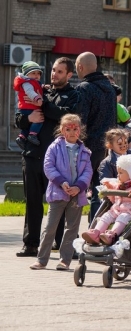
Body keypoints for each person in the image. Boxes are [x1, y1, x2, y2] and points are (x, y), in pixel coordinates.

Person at [15, 57, 80, 257]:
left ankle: (58, 244)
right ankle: (31, 244)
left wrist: (42, 106)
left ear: (69, 75)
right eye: (53, 70)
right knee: (32, 202)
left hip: (58, 161)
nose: (54, 74)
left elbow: (66, 116)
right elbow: (20, 117)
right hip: (33, 156)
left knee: (59, 202)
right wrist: (28, 118)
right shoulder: (38, 89)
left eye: (60, 72)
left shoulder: (73, 95)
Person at [29, 114, 92, 270]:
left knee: (71, 228)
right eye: (68, 128)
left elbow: (88, 171)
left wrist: (78, 186)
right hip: (58, 192)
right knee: (50, 227)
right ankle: (42, 259)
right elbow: (48, 166)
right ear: (62, 130)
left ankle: (65, 260)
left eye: (75, 128)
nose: (72, 132)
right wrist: (62, 182)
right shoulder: (54, 147)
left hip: (77, 195)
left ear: (80, 130)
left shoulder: (84, 151)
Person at [75, 51, 117, 222]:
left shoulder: (84, 89)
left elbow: (80, 120)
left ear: (80, 67)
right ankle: (97, 231)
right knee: (100, 191)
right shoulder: (110, 88)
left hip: (88, 147)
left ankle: (76, 235)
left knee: (79, 190)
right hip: (108, 146)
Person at [81, 154, 131, 245]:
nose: (118, 175)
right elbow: (114, 199)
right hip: (117, 209)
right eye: (118, 172)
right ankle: (96, 233)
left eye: (121, 173)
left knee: (123, 217)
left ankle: (111, 235)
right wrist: (109, 187)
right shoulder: (120, 184)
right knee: (106, 216)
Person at [14, 61, 44, 148]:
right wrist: (37, 98)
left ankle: (22, 137)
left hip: (28, 108)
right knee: (39, 119)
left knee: (29, 124)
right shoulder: (27, 83)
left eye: (38, 73)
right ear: (27, 75)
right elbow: (30, 92)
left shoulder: (33, 82)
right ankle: (32, 135)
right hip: (28, 107)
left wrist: (44, 86)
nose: (36, 75)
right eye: (33, 73)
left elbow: (37, 87)